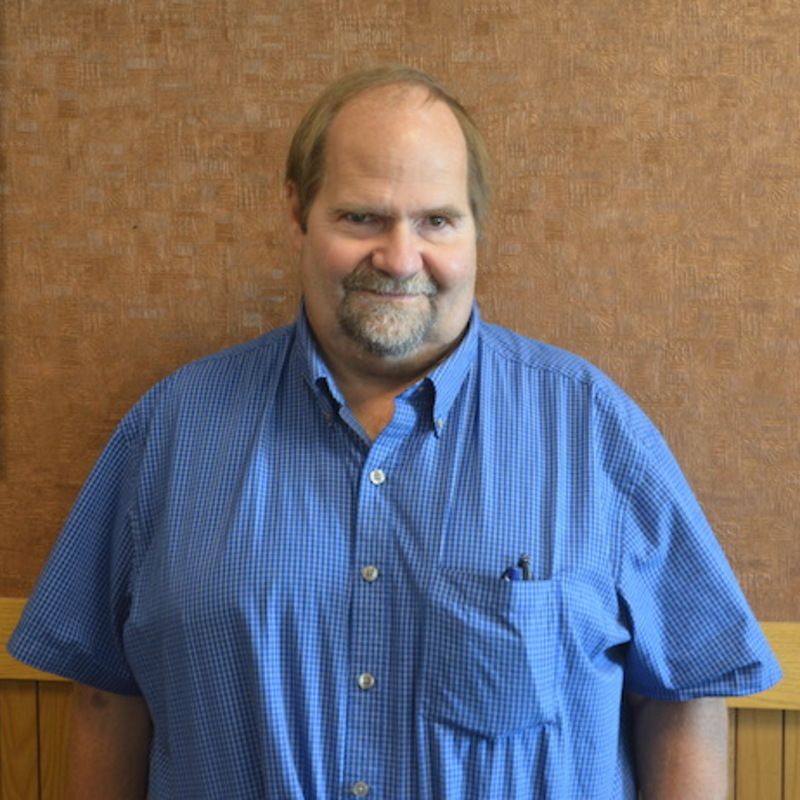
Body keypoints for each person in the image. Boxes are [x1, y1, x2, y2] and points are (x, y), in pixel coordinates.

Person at [8, 65, 780, 799]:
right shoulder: (169, 431)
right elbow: (108, 699)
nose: (400, 256)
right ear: (296, 210)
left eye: (437, 220)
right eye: (361, 217)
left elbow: (686, 694)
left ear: (477, 226)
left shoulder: (593, 430)